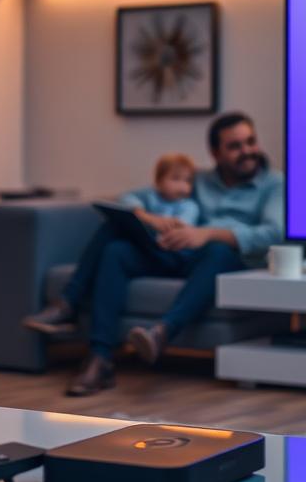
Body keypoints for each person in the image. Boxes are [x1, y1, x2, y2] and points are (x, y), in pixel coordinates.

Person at [27, 112, 283, 396]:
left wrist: (207, 233)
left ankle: (161, 333)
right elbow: (131, 198)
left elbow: (275, 232)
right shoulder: (197, 179)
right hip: (177, 252)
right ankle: (95, 350)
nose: (247, 151)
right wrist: (151, 219)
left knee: (218, 250)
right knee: (115, 241)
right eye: (235, 146)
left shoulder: (274, 184)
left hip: (225, 260)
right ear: (215, 153)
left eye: (250, 142)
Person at [23, 153, 200, 335]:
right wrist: (148, 218)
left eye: (188, 181)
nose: (183, 186)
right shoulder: (148, 195)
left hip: (167, 251)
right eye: (176, 179)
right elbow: (126, 199)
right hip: (142, 248)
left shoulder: (188, 206)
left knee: (113, 228)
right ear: (159, 180)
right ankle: (70, 308)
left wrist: (154, 222)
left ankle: (68, 301)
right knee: (113, 243)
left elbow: (181, 227)